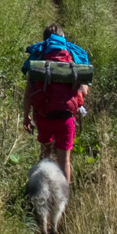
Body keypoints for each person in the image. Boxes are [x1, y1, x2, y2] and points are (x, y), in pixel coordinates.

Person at [22, 23, 88, 180]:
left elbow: (28, 94)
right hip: (66, 118)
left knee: (45, 156)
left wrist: (26, 116)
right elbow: (84, 91)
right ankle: (63, 202)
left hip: (44, 117)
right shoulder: (73, 59)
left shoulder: (38, 61)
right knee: (64, 160)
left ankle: (42, 194)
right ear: (63, 39)